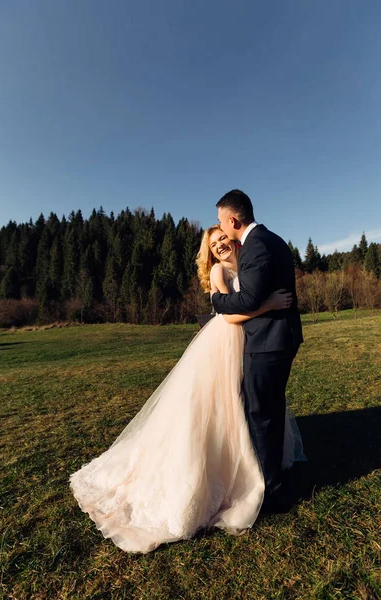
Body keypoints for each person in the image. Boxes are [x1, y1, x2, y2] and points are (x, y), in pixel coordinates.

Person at [69, 225, 304, 554]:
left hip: (248, 345)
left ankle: (253, 458)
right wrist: (270, 306)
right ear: (209, 253)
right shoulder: (221, 271)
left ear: (233, 239)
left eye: (223, 238)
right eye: (214, 244)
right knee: (222, 405)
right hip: (225, 344)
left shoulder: (247, 265)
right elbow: (230, 315)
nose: (221, 245)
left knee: (244, 402)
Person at [211, 189, 304, 513]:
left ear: (232, 219)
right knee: (269, 409)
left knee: (261, 414)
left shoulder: (256, 245)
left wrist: (217, 302)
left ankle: (273, 491)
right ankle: (273, 476)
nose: (221, 227)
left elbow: (249, 299)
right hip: (278, 338)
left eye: (222, 221)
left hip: (268, 342)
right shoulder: (272, 239)